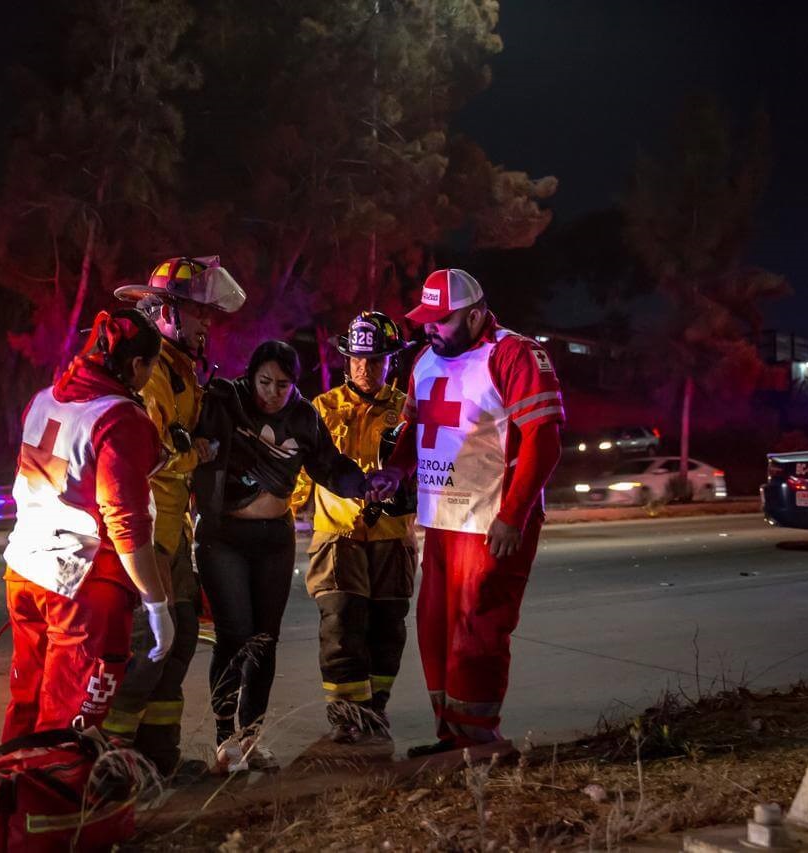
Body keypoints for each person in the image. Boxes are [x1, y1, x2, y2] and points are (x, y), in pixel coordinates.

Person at [371, 269, 564, 759]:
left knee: (479, 627)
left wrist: (514, 515)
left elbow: (545, 441)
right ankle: (450, 736)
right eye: (426, 321)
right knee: (435, 627)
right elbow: (415, 430)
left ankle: (477, 740)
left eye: (442, 320)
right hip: (441, 519)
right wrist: (395, 473)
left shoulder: (513, 354)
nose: (430, 330)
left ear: (476, 314)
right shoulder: (423, 361)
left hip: (491, 519)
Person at [192, 340, 390, 772]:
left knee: (265, 639)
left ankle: (251, 738)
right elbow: (193, 433)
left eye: (283, 385)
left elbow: (329, 464)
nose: (272, 393)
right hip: (223, 535)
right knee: (234, 634)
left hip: (275, 539)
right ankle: (225, 740)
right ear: (250, 377)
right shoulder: (226, 400)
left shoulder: (302, 415)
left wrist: (363, 485)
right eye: (264, 382)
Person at [1, 308, 173, 741]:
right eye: (150, 367)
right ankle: (52, 805)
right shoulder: (120, 418)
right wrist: (156, 604)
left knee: (27, 704)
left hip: (23, 571)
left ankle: (12, 798)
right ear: (136, 365)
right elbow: (126, 523)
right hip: (78, 584)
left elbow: (71, 475)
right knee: (67, 723)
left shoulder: (43, 399)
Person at [104, 256, 246, 779]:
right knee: (151, 649)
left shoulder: (180, 368)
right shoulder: (154, 371)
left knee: (181, 637)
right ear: (166, 311)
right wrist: (199, 454)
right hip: (146, 531)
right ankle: (115, 761)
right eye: (197, 312)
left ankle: (157, 758)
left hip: (170, 527)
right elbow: (151, 453)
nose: (207, 323)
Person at [290, 311, 417, 745]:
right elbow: (304, 467)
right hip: (336, 535)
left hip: (392, 537)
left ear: (390, 363)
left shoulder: (406, 412)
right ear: (347, 360)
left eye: (377, 360)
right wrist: (286, 508)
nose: (366, 368)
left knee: (388, 628)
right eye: (359, 360)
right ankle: (347, 716)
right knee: (341, 624)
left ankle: (375, 709)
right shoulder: (321, 409)